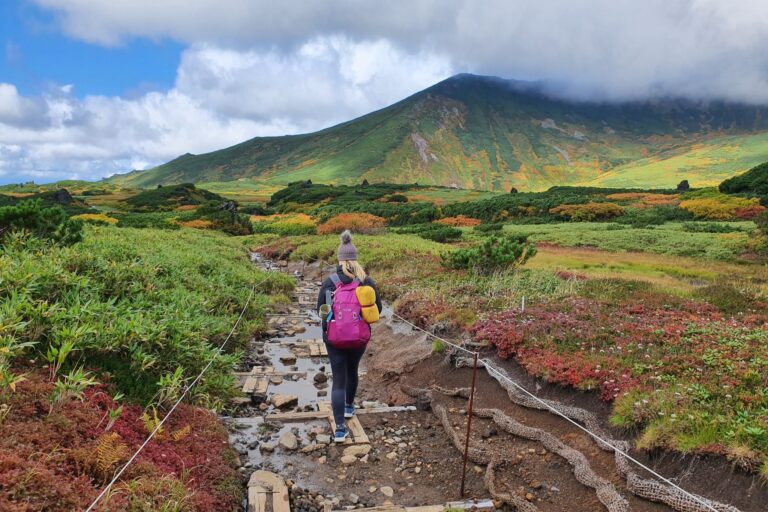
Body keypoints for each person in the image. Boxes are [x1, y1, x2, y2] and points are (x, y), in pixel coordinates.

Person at [316, 230, 382, 442]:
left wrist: (330, 326)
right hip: (359, 338)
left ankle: (340, 431)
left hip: (334, 339)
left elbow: (321, 311)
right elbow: (377, 310)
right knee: (352, 371)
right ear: (355, 259)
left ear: (339, 259)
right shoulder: (366, 281)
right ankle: (348, 407)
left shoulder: (330, 282)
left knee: (338, 381)